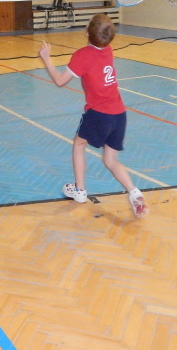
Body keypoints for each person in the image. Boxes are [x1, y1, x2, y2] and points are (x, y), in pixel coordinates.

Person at [38, 13, 148, 218]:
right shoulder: (108, 50)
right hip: (119, 113)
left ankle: (80, 191)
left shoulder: (83, 55)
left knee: (79, 144)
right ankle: (135, 193)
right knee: (111, 159)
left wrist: (46, 58)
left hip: (99, 114)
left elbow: (60, 80)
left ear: (87, 33)